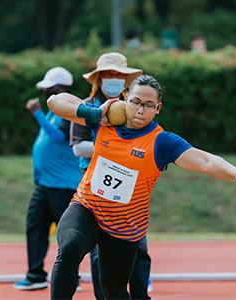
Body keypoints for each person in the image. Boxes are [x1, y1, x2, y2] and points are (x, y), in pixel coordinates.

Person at [48, 75, 236, 299]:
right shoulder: (106, 119)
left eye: (148, 105)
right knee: (69, 249)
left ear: (157, 108)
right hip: (87, 207)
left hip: (124, 225)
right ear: (125, 98)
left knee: (113, 290)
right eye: (136, 102)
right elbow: (55, 102)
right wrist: (95, 114)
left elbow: (206, 161)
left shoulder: (162, 142)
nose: (140, 110)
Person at [69, 52, 152, 300]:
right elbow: (77, 147)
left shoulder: (135, 107)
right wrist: (111, 149)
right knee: (99, 252)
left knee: (139, 247)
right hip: (97, 189)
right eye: (109, 74)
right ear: (99, 78)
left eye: (119, 75)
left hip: (132, 187)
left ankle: (140, 296)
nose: (114, 79)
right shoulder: (88, 106)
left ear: (126, 80)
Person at [13, 67, 82, 291]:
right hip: (44, 185)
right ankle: (35, 275)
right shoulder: (55, 111)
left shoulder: (70, 111)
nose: (46, 93)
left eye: (50, 88)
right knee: (34, 227)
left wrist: (37, 113)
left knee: (67, 234)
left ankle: (71, 277)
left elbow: (58, 135)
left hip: (63, 185)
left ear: (62, 88)